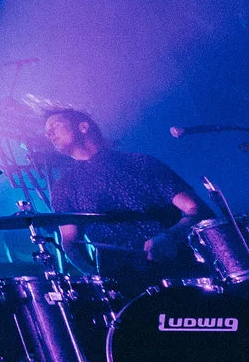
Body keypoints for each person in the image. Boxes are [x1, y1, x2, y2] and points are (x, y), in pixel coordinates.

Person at [41, 108, 206, 280]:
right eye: (47, 132)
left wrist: (170, 236)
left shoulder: (141, 163)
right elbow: (70, 242)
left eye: (55, 125)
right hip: (123, 282)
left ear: (83, 127)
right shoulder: (64, 186)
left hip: (179, 271)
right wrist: (93, 276)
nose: (50, 133)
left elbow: (197, 209)